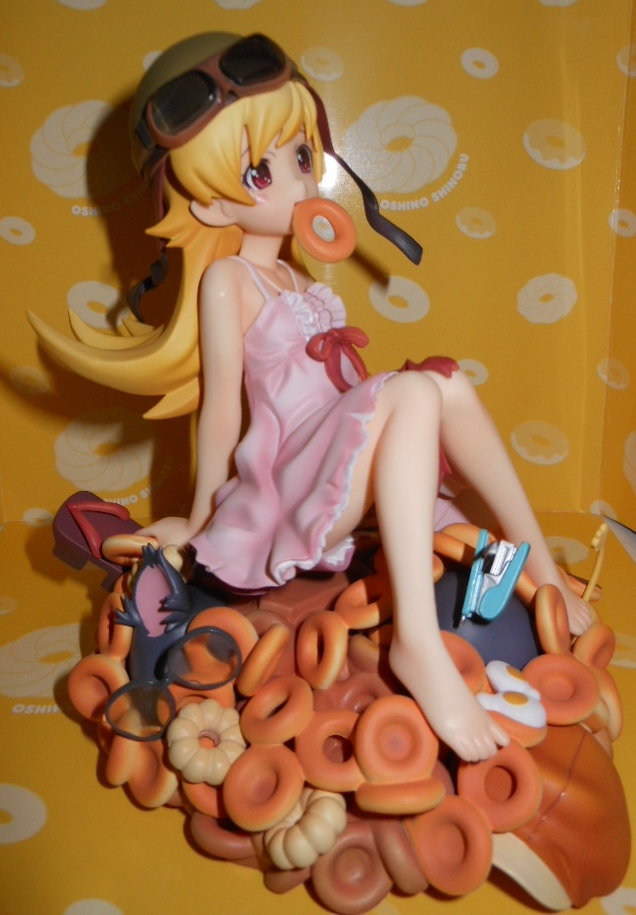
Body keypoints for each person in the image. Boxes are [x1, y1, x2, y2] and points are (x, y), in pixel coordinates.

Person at [29, 33, 592, 762]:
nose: (297, 184)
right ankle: (417, 643)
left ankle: (541, 567)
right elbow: (222, 412)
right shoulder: (228, 282)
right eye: (260, 172)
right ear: (210, 206)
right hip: (292, 478)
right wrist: (202, 517)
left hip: (337, 451)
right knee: (413, 392)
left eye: (301, 157)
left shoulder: (301, 279)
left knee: (447, 381)